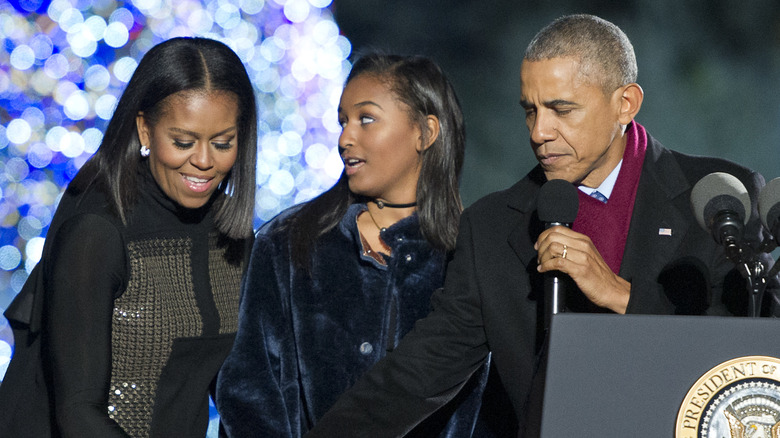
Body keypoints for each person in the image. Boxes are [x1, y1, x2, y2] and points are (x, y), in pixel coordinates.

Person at [304, 14, 778, 437]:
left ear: (625, 104)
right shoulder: (490, 227)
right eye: (530, 110)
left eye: (561, 109)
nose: (539, 132)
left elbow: (752, 354)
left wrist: (620, 295)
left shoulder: (720, 196)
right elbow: (419, 374)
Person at [215, 53, 490, 437]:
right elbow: (248, 388)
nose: (345, 138)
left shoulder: (472, 256)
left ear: (425, 133)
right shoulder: (289, 242)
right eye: (343, 121)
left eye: (366, 119)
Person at [0, 37, 257, 437]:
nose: (205, 161)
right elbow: (77, 412)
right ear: (144, 129)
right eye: (183, 142)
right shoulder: (97, 232)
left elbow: (240, 392)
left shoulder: (233, 235)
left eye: (223, 143)